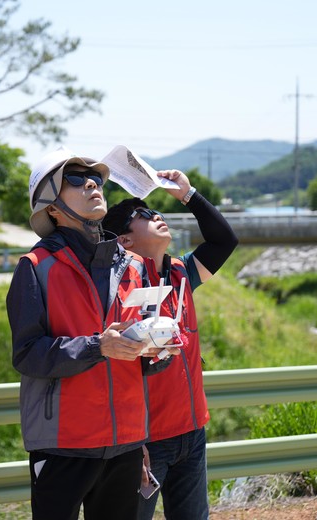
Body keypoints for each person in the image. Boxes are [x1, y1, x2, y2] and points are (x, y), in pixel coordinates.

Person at [5, 146, 177, 520]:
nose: (91, 185)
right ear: (51, 208)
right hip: (62, 445)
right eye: (75, 179)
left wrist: (159, 350)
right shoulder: (35, 267)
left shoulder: (134, 266)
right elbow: (28, 354)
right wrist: (98, 346)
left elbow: (143, 361)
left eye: (96, 178)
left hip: (126, 441)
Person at [102, 169, 239, 520]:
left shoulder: (183, 274)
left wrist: (189, 195)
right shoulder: (118, 291)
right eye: (143, 215)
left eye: (156, 211)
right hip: (144, 441)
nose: (156, 215)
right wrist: (132, 443)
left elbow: (224, 240)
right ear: (124, 240)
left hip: (192, 432)